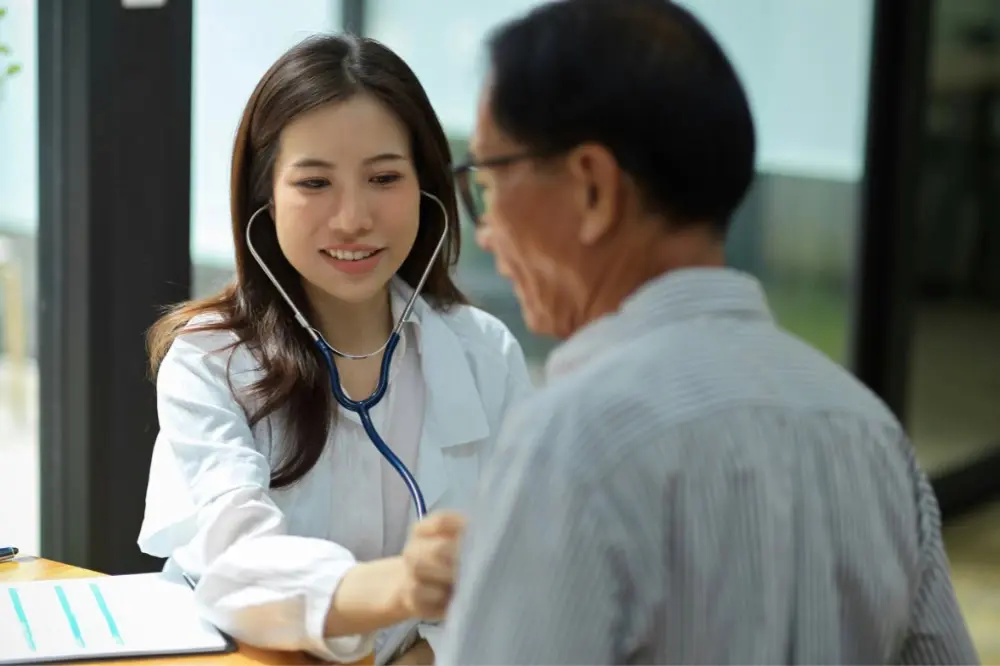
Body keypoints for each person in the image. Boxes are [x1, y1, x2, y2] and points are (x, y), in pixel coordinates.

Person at [437, 1, 979, 664]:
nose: (486, 233)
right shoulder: (868, 432)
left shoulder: (569, 443)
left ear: (593, 189)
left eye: (487, 184)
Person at [137, 34, 533, 665]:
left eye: (383, 177)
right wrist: (403, 587)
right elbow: (237, 560)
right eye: (315, 182)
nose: (352, 218)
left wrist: (428, 653)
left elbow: (526, 571)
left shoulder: (486, 353)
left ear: (425, 187)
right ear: (265, 196)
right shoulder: (210, 361)